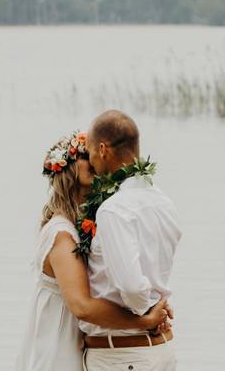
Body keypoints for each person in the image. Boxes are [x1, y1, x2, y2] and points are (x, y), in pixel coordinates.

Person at [16, 131, 171, 371]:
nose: (94, 159)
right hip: (60, 342)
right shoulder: (62, 234)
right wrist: (143, 320)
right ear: (65, 168)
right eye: (84, 155)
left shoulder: (94, 222)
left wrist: (154, 302)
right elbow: (82, 306)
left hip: (88, 343)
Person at [80, 111, 182, 370]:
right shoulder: (164, 202)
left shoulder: (114, 210)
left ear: (102, 150)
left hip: (125, 356)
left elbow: (133, 288)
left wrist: (145, 312)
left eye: (90, 152)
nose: (90, 161)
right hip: (161, 349)